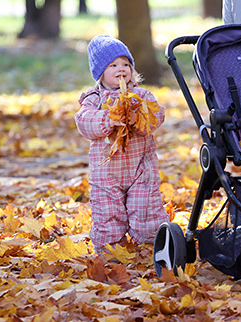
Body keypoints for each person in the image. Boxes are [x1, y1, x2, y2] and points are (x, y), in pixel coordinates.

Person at [75, 35, 169, 254]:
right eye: (113, 65)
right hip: (106, 173)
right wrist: (107, 119)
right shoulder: (93, 99)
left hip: (140, 169)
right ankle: (111, 255)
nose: (121, 69)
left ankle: (150, 249)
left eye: (126, 64)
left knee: (146, 211)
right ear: (100, 73)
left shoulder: (141, 95)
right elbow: (83, 120)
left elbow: (157, 114)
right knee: (108, 216)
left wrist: (139, 119)